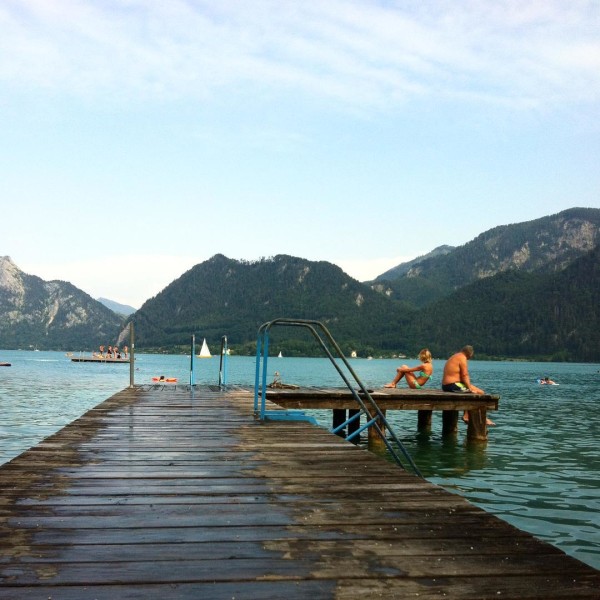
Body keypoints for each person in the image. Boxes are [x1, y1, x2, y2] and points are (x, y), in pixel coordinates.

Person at [441, 345, 494, 425]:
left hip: (449, 385)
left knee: (481, 392)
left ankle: (467, 415)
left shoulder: (455, 356)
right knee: (474, 393)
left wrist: (470, 388)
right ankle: (476, 417)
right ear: (470, 353)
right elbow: (465, 375)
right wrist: (470, 388)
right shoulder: (462, 358)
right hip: (452, 385)